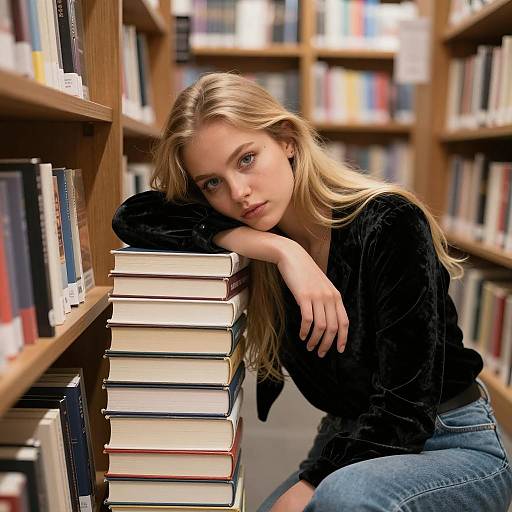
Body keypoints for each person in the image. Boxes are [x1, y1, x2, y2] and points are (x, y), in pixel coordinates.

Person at [112, 72, 512, 511]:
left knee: (343, 500)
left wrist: (313, 484)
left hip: (450, 442)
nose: (239, 193)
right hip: (350, 442)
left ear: (286, 139)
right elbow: (134, 215)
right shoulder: (263, 240)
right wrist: (280, 249)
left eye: (246, 159)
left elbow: (406, 409)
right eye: (212, 183)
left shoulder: (389, 222)